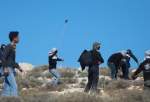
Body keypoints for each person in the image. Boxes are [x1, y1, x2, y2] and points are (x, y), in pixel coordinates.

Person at [1, 31, 23, 96]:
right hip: (8, 68)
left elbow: (12, 61)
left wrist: (18, 67)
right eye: (18, 37)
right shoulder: (8, 46)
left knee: (7, 89)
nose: (19, 38)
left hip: (10, 68)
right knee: (14, 86)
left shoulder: (12, 48)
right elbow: (3, 57)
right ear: (14, 38)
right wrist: (5, 68)